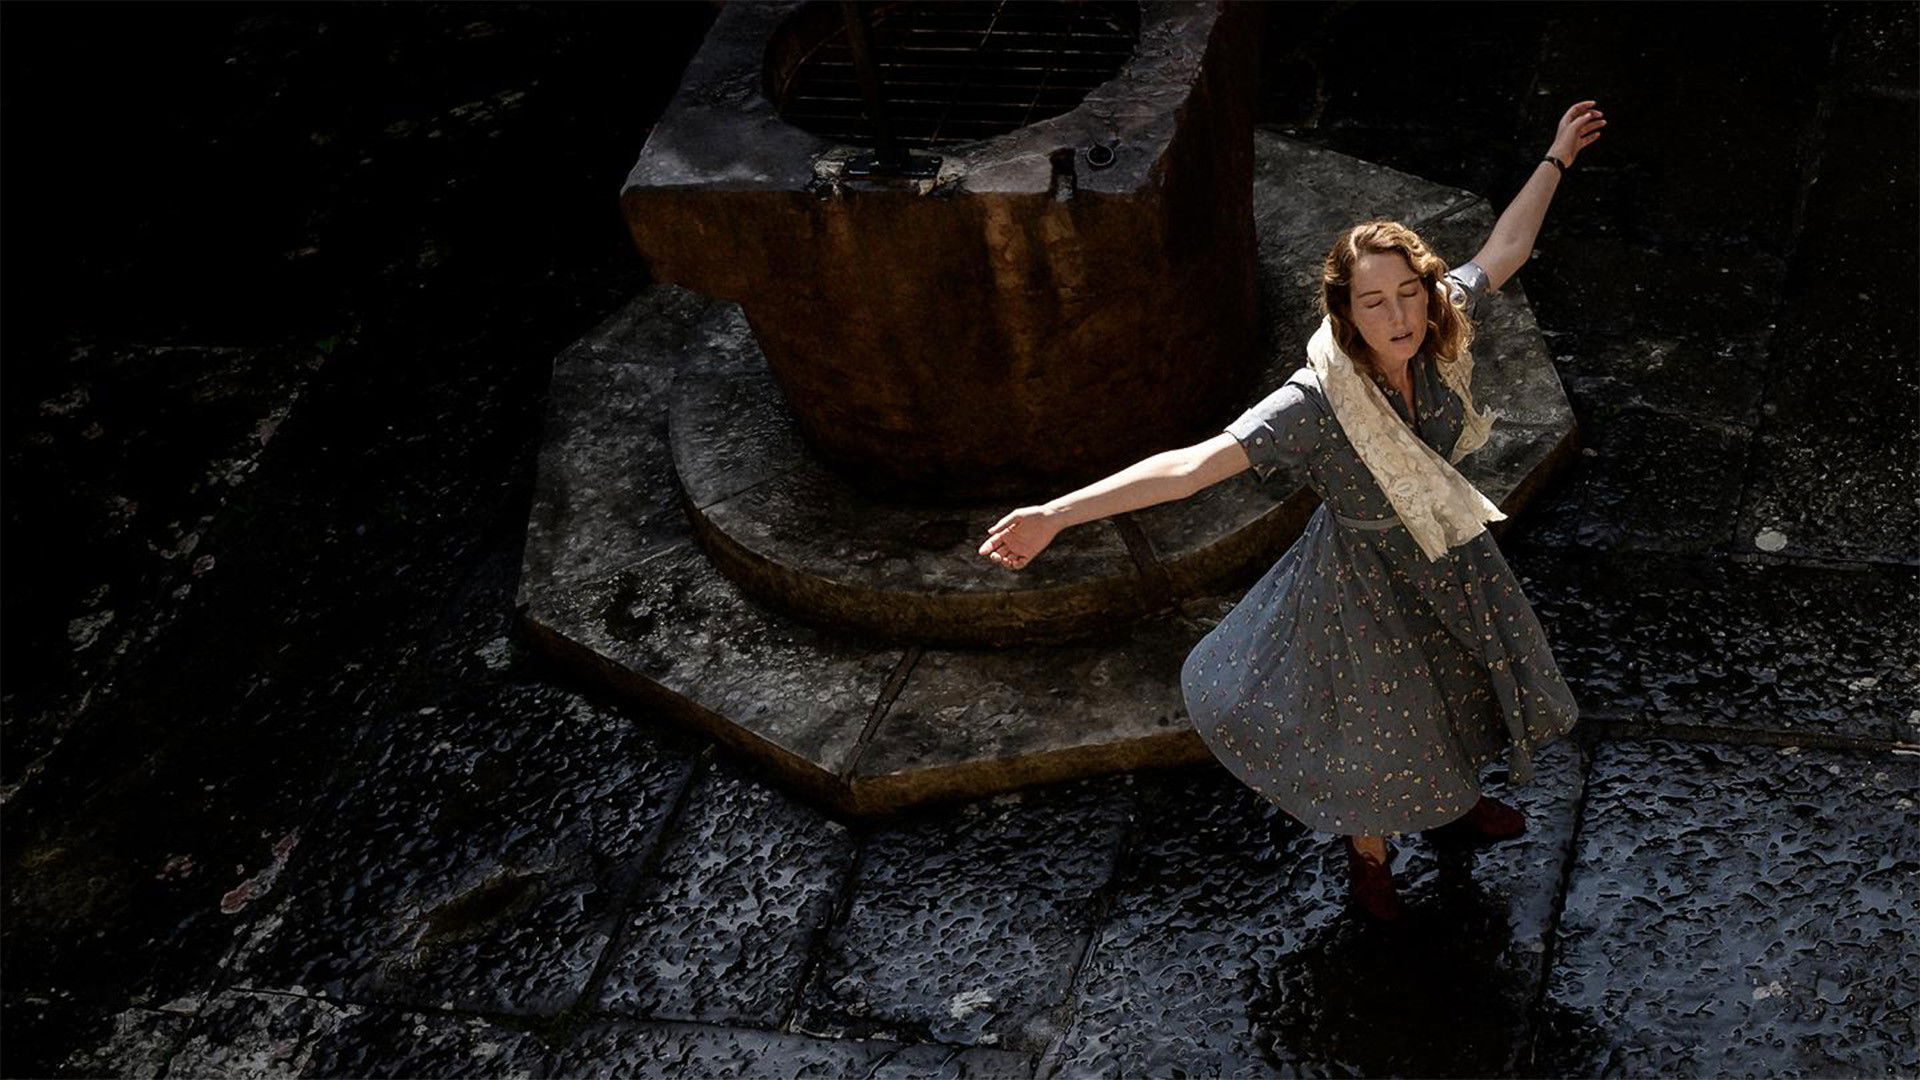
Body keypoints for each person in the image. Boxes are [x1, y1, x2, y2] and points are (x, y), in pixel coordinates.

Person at [977, 101, 1607, 920]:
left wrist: (1556, 157)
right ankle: (1369, 854)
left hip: (1446, 553)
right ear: (1344, 312)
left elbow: (1504, 250)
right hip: (1362, 580)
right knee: (1379, 725)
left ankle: (1453, 806)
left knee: (1456, 687)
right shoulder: (1312, 402)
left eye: (1409, 293)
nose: (1399, 317)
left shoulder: (1437, 325)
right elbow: (1192, 467)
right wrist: (1058, 514)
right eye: (1374, 303)